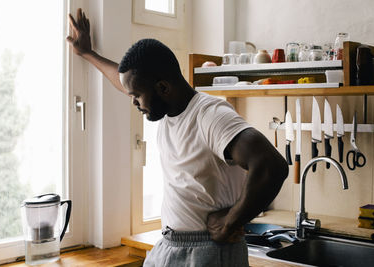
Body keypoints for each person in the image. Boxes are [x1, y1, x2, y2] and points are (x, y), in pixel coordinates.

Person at [67, 8, 288, 267]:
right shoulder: (167, 108)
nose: (135, 103)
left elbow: (271, 166)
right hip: (171, 246)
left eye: (136, 96)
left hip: (208, 252)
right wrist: (87, 53)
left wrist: (232, 221)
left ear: (163, 88)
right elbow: (125, 80)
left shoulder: (210, 115)